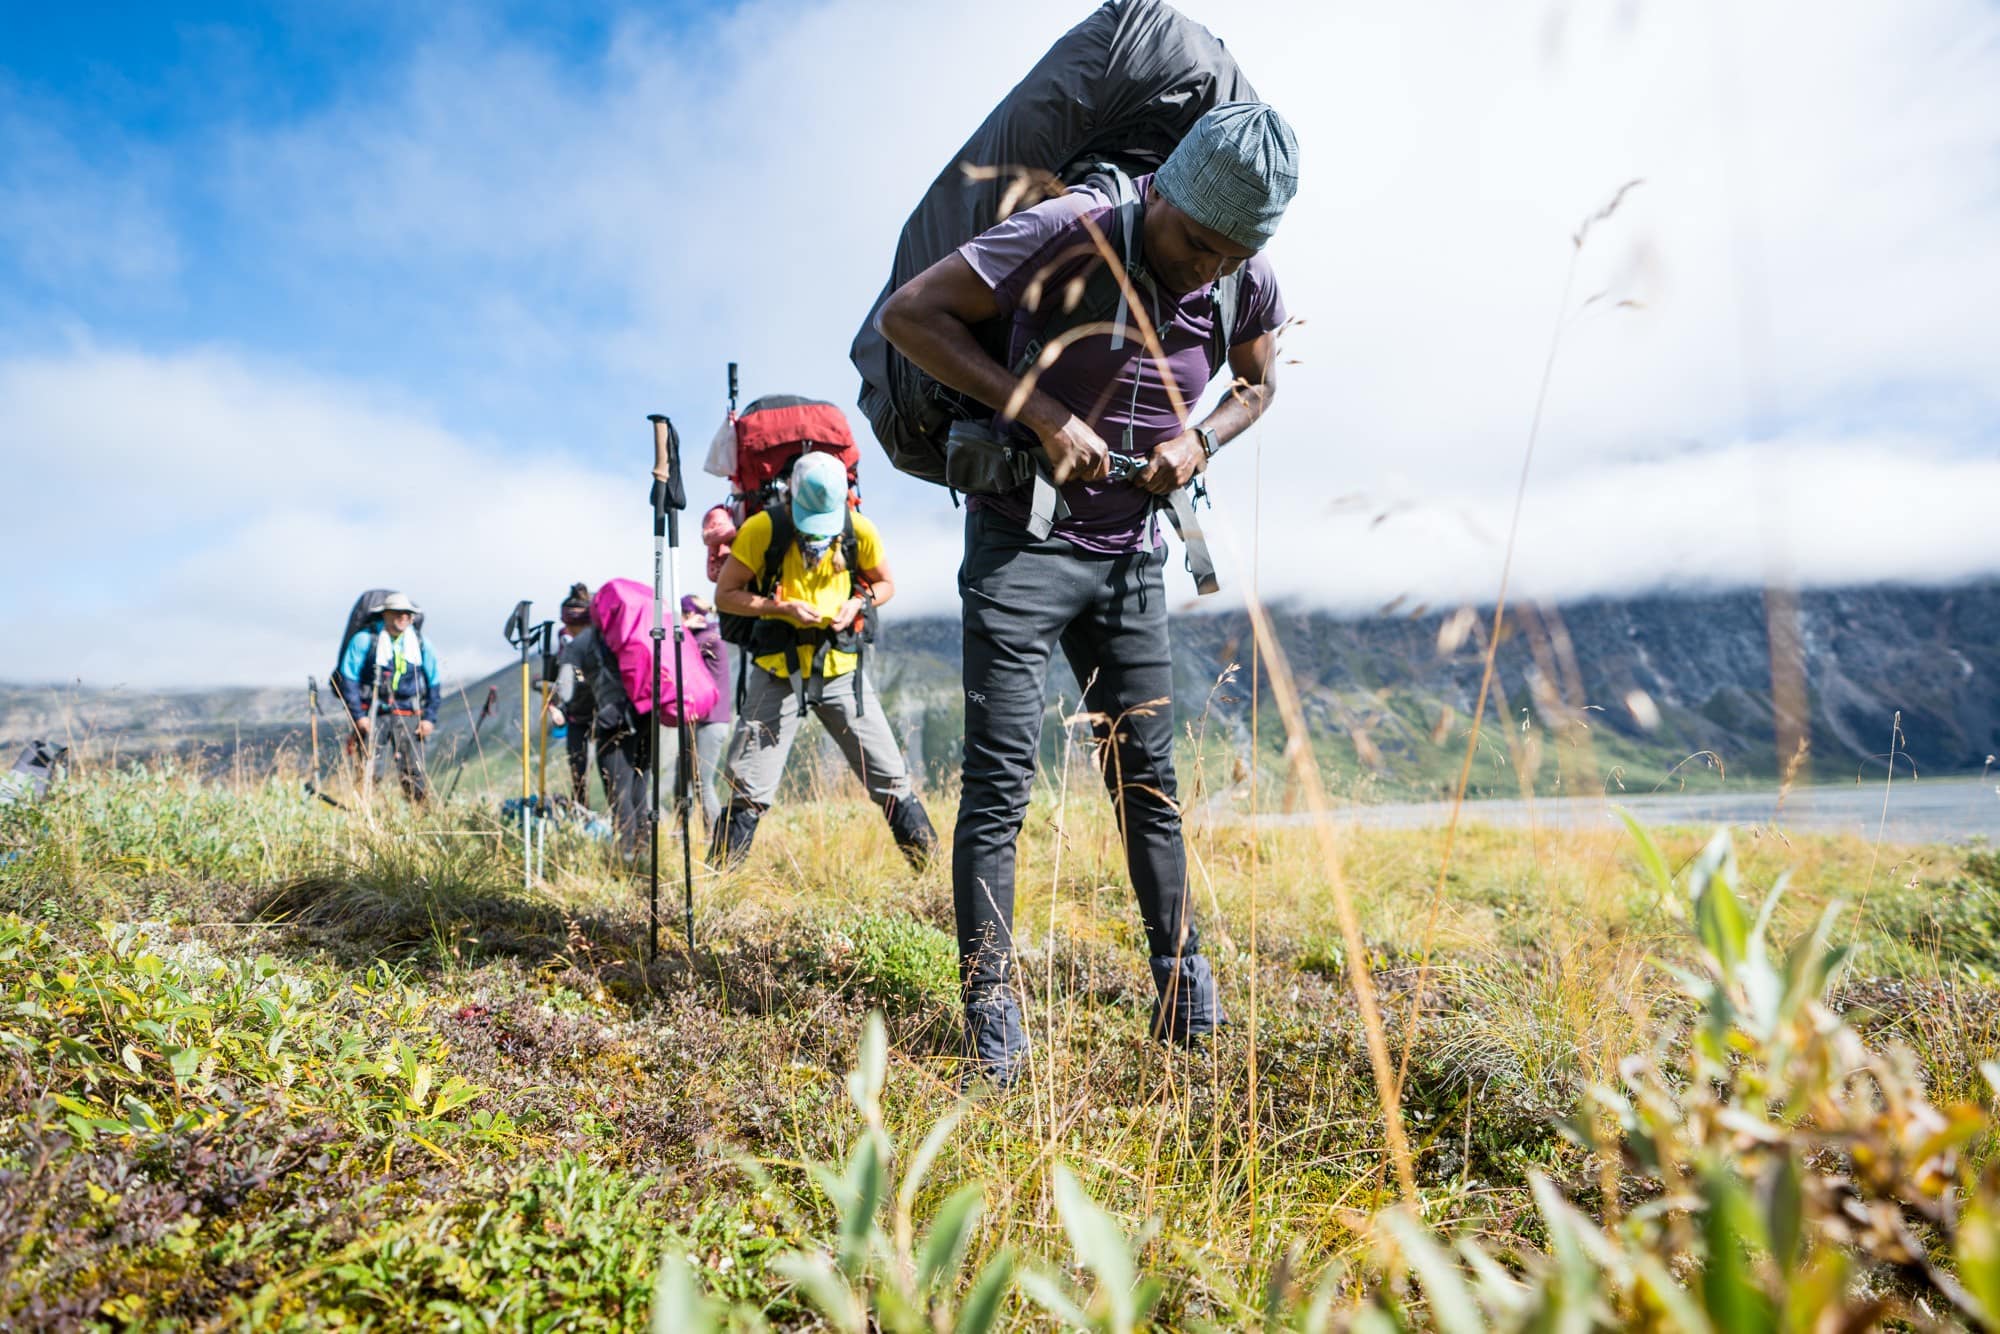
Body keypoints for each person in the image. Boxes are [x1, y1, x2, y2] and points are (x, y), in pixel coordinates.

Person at [876, 102, 1298, 1083]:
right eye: (1193, 241)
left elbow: (1256, 385)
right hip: (1019, 549)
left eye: (1226, 254)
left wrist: (1202, 438)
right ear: (1161, 194)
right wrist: (1037, 409)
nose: (1203, 267)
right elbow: (910, 315)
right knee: (999, 786)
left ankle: (1179, 978)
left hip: (1131, 558)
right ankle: (990, 1003)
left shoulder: (1245, 277)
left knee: (1146, 778)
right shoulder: (1062, 235)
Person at [710, 451, 938, 869]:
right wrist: (781, 609)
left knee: (891, 779)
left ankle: (939, 880)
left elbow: (886, 584)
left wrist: (858, 603)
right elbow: (725, 596)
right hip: (777, 670)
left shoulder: (858, 531)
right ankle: (718, 886)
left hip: (840, 671)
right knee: (749, 787)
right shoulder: (763, 530)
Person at [335, 591, 441, 802]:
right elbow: (348, 678)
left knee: (414, 773)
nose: (403, 617)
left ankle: (420, 819)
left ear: (412, 618)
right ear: (385, 614)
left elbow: (434, 682)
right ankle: (364, 814)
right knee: (370, 771)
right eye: (397, 613)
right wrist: (359, 716)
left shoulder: (420, 644)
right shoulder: (364, 640)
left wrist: (429, 718)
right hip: (373, 714)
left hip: (409, 715)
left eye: (408, 614)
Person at [661, 594, 731, 829]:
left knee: (701, 781)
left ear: (689, 615)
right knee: (683, 780)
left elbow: (676, 654)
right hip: (697, 719)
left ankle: (714, 836)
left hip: (711, 721)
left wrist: (681, 633)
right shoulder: (703, 635)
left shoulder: (707, 638)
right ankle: (681, 832)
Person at [553, 583, 595, 805]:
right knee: (577, 770)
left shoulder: (599, 638)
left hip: (601, 711)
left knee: (612, 770)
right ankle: (581, 812)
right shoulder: (564, 639)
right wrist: (555, 706)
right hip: (575, 713)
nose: (568, 631)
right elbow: (560, 676)